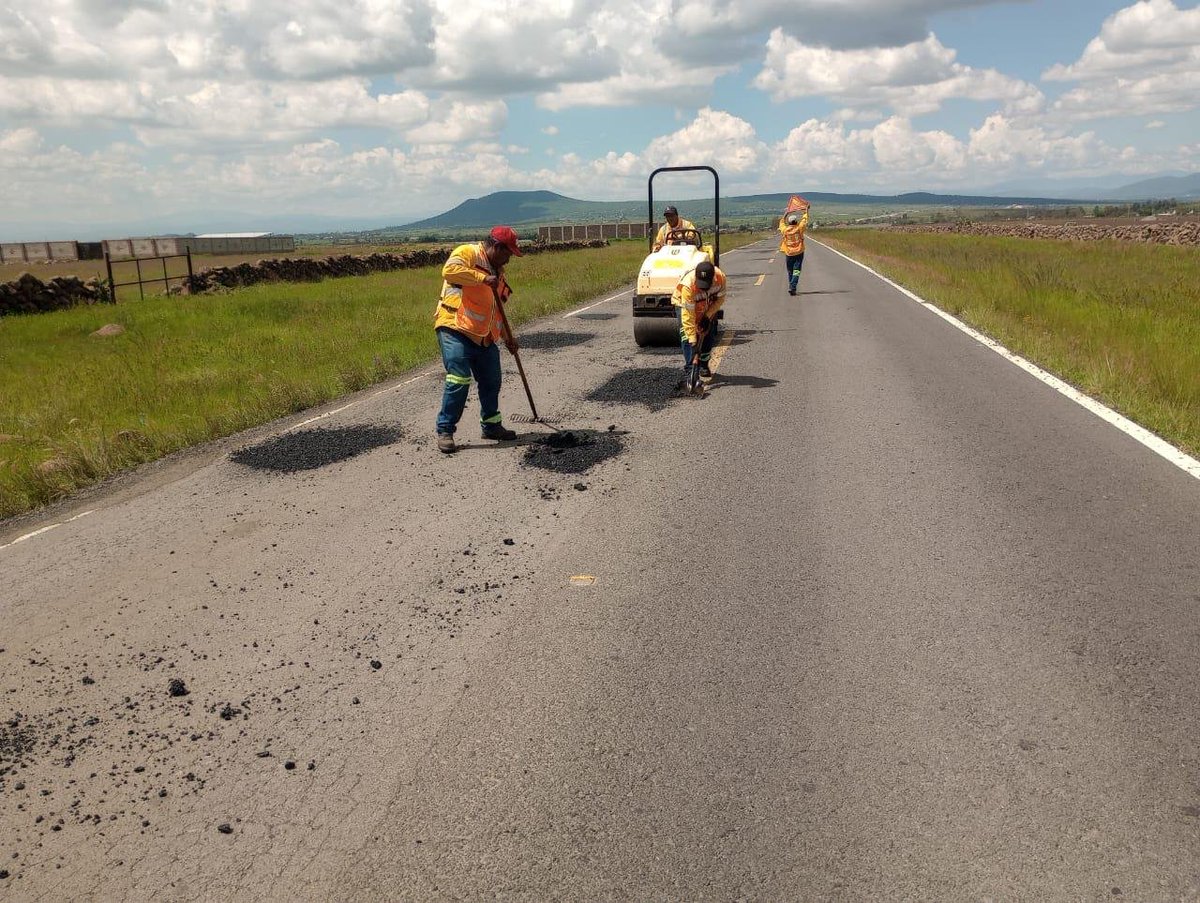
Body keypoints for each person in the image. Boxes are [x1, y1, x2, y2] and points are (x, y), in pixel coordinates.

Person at [433, 225, 523, 454]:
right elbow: (449, 271)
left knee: (492, 379)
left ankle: (491, 425)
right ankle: (445, 430)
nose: (509, 260)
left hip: (483, 336)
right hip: (455, 326)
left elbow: (497, 311)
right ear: (497, 247)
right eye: (507, 253)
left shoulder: (499, 274)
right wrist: (483, 278)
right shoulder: (468, 253)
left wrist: (507, 338)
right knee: (459, 378)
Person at [672, 260, 727, 381]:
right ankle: (690, 370)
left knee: (708, 334)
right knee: (686, 335)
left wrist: (707, 316)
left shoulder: (721, 278)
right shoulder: (688, 285)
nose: (703, 289)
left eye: (706, 285)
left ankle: (703, 365)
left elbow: (720, 300)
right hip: (685, 305)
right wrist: (693, 340)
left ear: (713, 278)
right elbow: (688, 317)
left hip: (707, 306)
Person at [778, 205, 809, 295]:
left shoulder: (785, 230)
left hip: (789, 253)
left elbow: (781, 223)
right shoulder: (799, 228)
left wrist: (786, 213)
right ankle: (792, 286)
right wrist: (806, 210)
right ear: (796, 222)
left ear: (789, 222)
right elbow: (804, 220)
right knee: (796, 271)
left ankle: (792, 286)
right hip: (799, 252)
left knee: (790, 271)